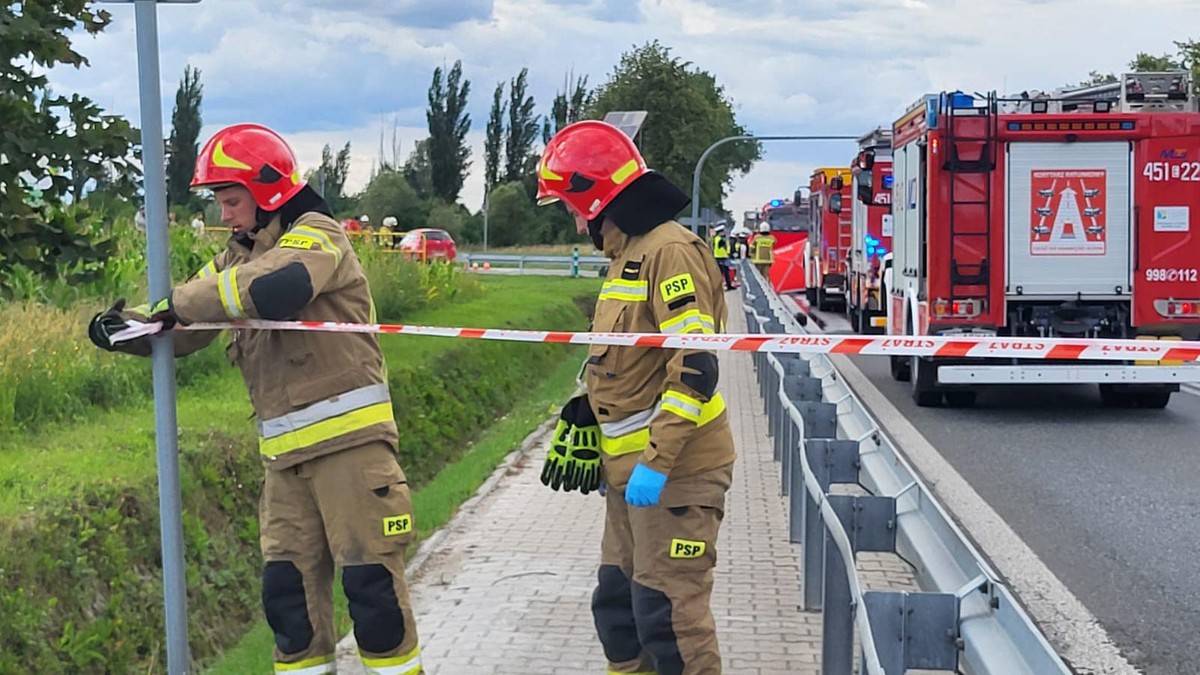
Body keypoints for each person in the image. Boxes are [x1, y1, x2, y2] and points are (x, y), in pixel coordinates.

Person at [86, 123, 424, 675]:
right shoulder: (234, 259)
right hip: (284, 466)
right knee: (289, 608)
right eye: (219, 202)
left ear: (267, 190)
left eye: (232, 199)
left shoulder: (318, 236)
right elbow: (188, 325)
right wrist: (132, 330)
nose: (225, 215)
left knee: (374, 599)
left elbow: (275, 287)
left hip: (350, 454)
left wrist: (181, 300)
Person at [535, 120, 736, 675]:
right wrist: (589, 406)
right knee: (619, 614)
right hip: (630, 474)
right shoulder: (628, 254)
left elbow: (694, 366)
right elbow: (629, 356)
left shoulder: (670, 252)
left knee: (669, 621)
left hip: (675, 471)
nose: (572, 219)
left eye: (570, 205)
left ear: (596, 197)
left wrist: (657, 461)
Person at [709, 221, 734, 291]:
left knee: (720, 274)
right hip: (722, 258)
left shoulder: (716, 238)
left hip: (718, 257)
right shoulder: (720, 240)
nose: (724, 233)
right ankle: (727, 286)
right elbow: (726, 247)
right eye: (722, 232)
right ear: (719, 232)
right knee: (725, 273)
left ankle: (717, 287)